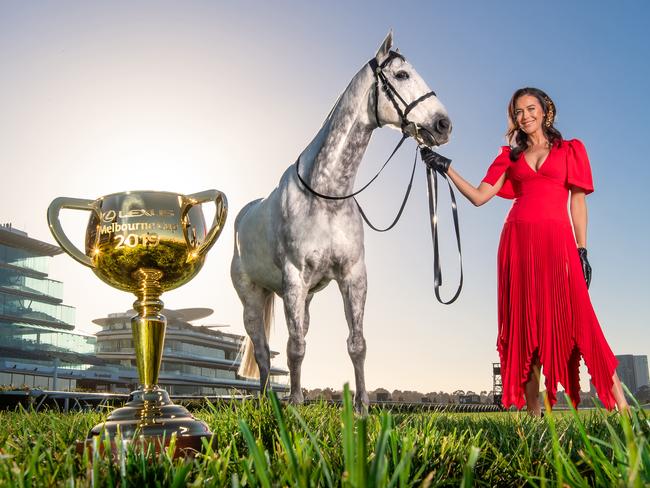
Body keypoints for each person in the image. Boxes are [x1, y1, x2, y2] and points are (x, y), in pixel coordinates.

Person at [422, 87, 629, 415]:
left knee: (584, 321)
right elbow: (479, 196)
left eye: (530, 108)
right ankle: (534, 423)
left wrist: (582, 249)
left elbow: (578, 201)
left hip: (559, 243)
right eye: (518, 112)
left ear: (546, 111)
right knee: (524, 328)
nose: (524, 116)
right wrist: (446, 167)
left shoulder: (571, 150)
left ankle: (624, 412)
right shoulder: (509, 157)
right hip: (517, 244)